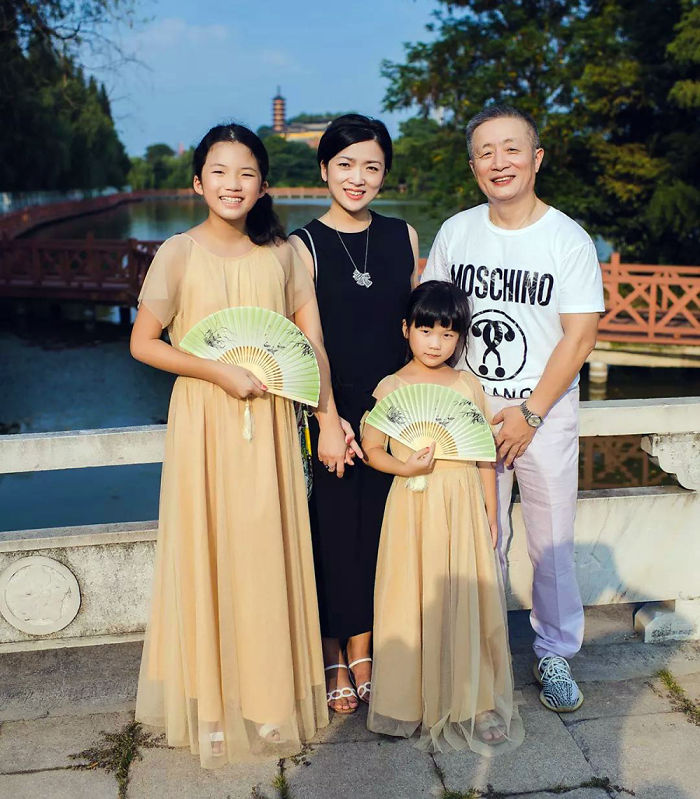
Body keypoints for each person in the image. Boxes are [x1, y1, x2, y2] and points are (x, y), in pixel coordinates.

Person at [130, 123, 349, 766]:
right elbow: (145, 342)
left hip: (274, 423)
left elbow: (311, 346)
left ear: (263, 184)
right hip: (204, 422)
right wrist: (217, 371)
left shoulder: (284, 254)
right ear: (198, 182)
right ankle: (213, 707)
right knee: (210, 552)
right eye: (219, 172)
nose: (233, 184)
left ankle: (270, 702)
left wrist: (328, 415)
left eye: (246, 172)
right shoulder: (177, 251)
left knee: (266, 554)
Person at [422, 105, 604, 713]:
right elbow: (436, 320)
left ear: (536, 158)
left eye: (511, 149)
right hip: (471, 406)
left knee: (549, 541)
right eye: (485, 152)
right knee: (479, 536)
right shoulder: (457, 231)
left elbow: (579, 337)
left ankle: (553, 652)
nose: (498, 163)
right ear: (473, 163)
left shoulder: (566, 239)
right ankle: (484, 647)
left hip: (542, 410)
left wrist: (530, 412)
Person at [289, 114, 420, 715]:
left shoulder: (403, 237)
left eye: (371, 166)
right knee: (330, 531)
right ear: (324, 169)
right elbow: (306, 341)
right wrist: (328, 420)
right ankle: (329, 648)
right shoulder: (302, 245)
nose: (358, 177)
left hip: (391, 412)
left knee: (378, 531)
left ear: (384, 172)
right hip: (331, 414)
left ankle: (365, 641)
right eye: (345, 164)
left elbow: (416, 332)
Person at [362, 280, 524, 754]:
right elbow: (372, 448)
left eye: (449, 334)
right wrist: (403, 465)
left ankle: (473, 701)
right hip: (411, 502)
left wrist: (492, 515)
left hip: (461, 505)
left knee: (464, 598)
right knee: (409, 597)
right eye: (427, 330)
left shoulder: (467, 384)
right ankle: (406, 699)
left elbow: (483, 458)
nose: (437, 342)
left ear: (461, 338)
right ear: (406, 329)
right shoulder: (391, 387)